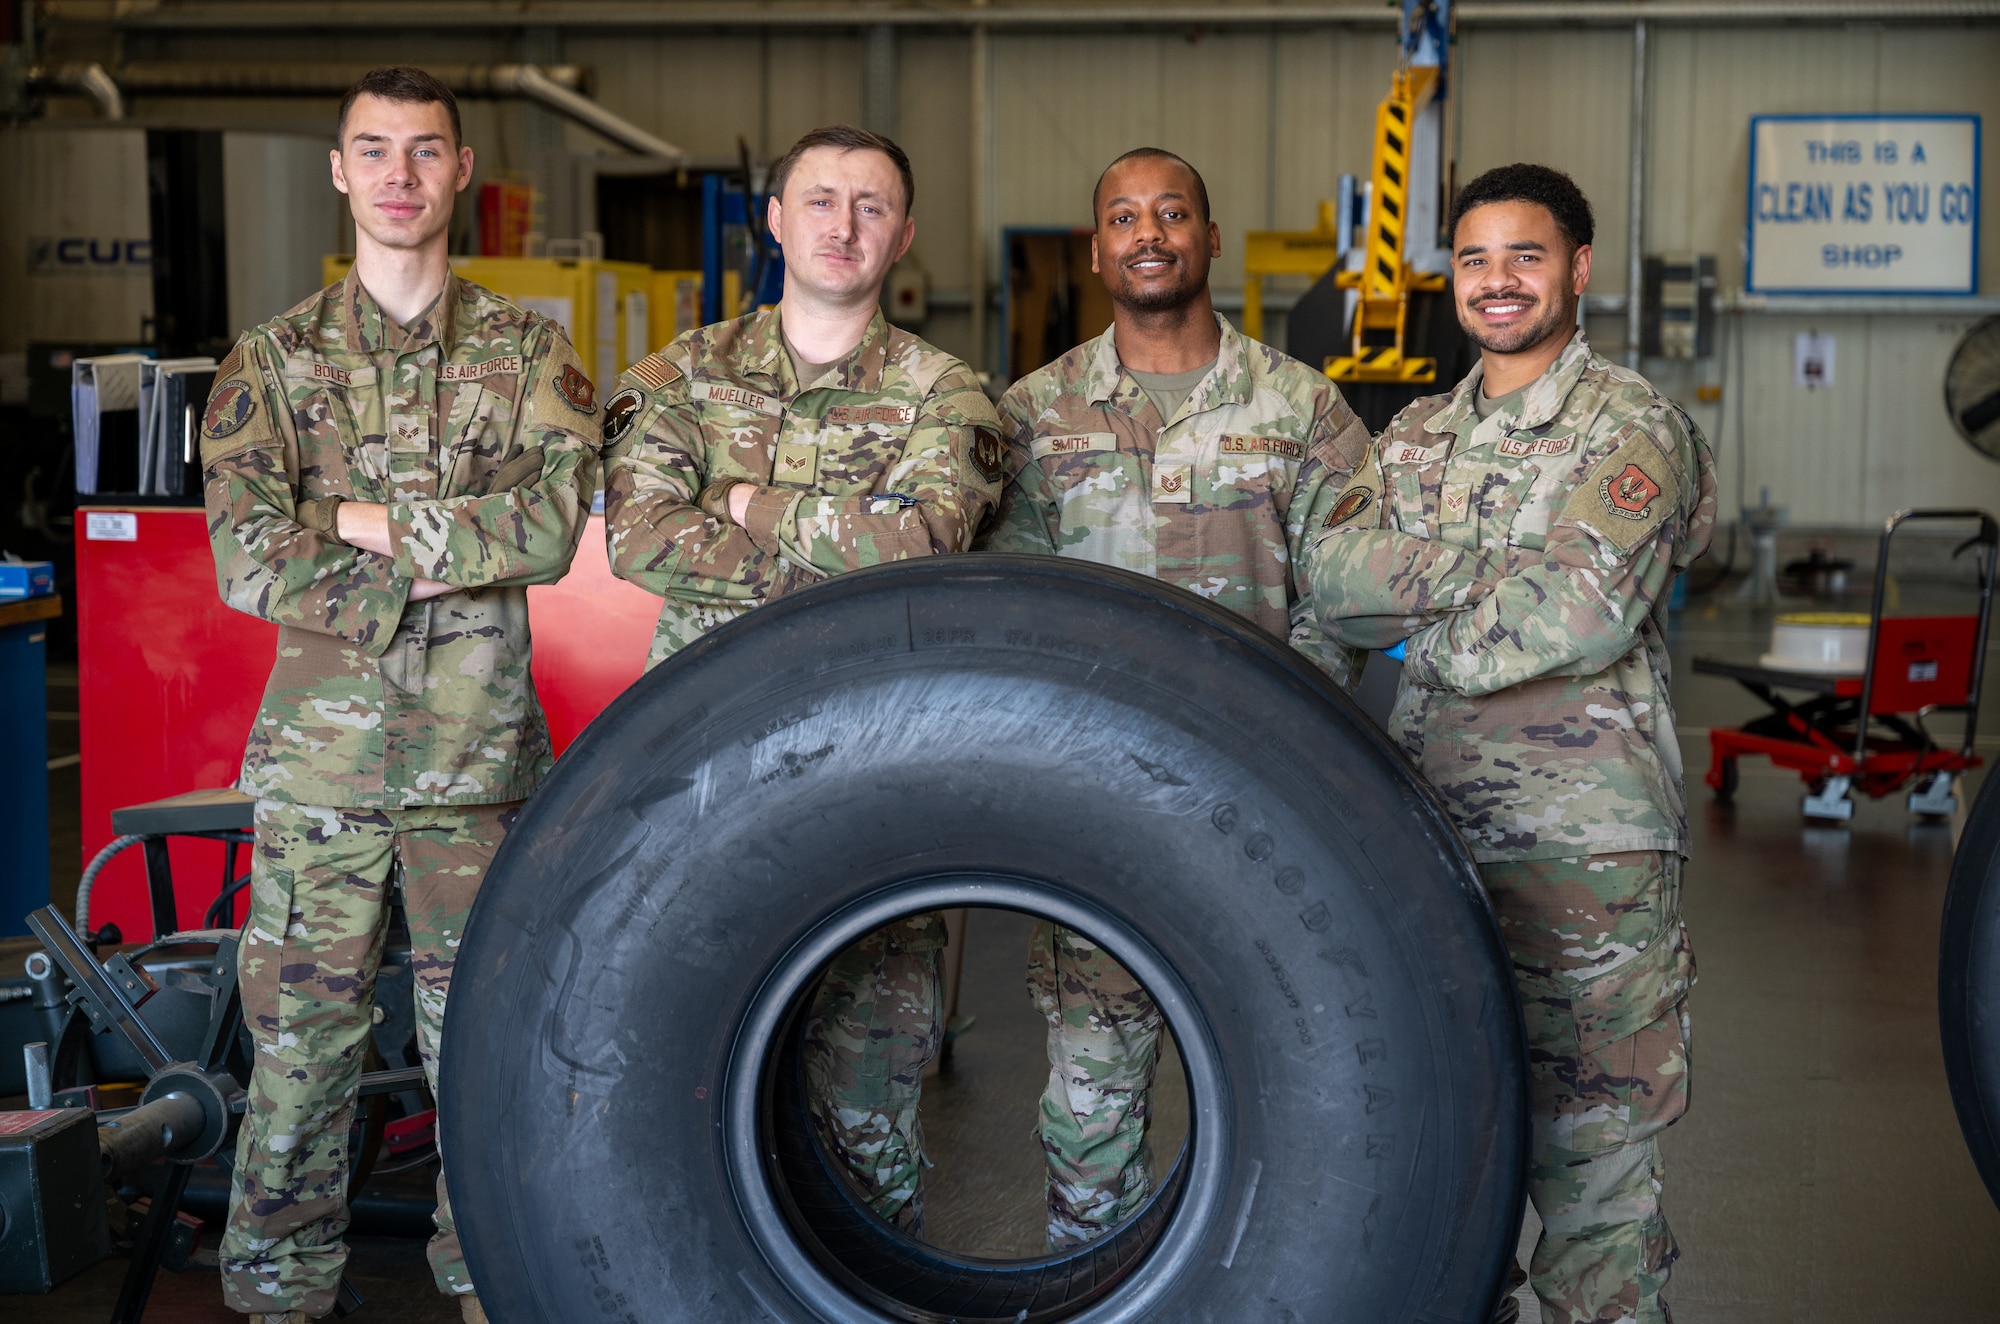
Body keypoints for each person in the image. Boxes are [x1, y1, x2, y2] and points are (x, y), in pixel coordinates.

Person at [199, 66, 601, 1324]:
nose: (399, 176)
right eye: (373, 151)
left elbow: (548, 525)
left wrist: (351, 522)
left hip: (476, 774)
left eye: (424, 151)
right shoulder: (270, 360)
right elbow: (244, 551)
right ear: (338, 170)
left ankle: (492, 1285)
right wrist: (432, 561)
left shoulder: (529, 351)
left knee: (481, 1059)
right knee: (299, 1063)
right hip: (320, 778)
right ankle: (275, 1295)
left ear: (462, 170)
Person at [1307, 163, 1717, 1324]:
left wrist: (1417, 636)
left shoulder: (1633, 425)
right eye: (1474, 258)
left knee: (1594, 1186)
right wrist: (1497, 582)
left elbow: (1580, 614)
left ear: (1576, 269)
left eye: (1524, 256)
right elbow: (1336, 582)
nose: (1496, 282)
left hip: (1585, 862)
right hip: (1431, 844)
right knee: (1456, 1172)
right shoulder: (1419, 432)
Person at [601, 124, 1004, 1233]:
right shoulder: (678, 375)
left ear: (905, 236)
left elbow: (927, 539)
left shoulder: (949, 392)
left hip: (874, 765)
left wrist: (739, 503)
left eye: (870, 206)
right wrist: (835, 550)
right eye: (818, 200)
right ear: (773, 222)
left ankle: (872, 1284)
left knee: (869, 1079)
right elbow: (637, 532)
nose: (842, 224)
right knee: (675, 1063)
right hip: (699, 767)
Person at [978, 146, 1370, 1249]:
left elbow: (1339, 600)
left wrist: (1271, 732)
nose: (1147, 233)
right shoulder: (1030, 417)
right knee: (1090, 1104)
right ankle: (1095, 1282)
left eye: (1170, 212)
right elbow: (1009, 616)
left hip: (1266, 818)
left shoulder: (1301, 410)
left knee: (1296, 1087)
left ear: (1206, 236)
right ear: (1095, 247)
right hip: (1095, 818)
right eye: (1122, 217)